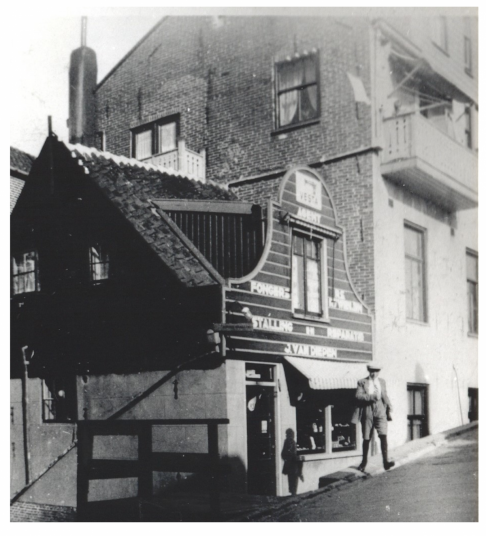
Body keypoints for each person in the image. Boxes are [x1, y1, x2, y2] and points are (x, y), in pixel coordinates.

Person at [351, 363, 395, 472]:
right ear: (368, 371)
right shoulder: (362, 382)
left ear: (378, 372)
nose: (373, 373)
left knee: (383, 435)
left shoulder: (382, 382)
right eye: (371, 371)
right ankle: (363, 462)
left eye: (375, 371)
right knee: (366, 437)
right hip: (367, 410)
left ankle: (386, 462)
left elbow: (384, 394)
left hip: (380, 410)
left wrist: (389, 404)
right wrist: (372, 397)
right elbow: (358, 396)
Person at [281, 429, 303, 495]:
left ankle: (292, 493)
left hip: (290, 465)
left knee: (292, 481)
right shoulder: (291, 442)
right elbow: (290, 453)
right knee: (293, 481)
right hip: (293, 465)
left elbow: (283, 454)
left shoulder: (289, 442)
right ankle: (293, 494)